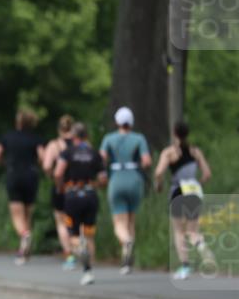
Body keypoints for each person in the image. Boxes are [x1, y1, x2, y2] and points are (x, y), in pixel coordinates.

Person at [154, 121, 216, 280]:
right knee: (193, 231)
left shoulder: (169, 153)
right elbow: (207, 174)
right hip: (194, 191)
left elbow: (159, 172)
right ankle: (203, 248)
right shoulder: (195, 151)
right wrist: (197, 184)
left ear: (174, 133)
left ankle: (185, 266)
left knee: (179, 231)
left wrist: (159, 185)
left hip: (178, 191)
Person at [99, 107, 152, 274]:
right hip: (134, 179)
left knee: (119, 222)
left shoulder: (109, 138)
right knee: (130, 221)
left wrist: (103, 174)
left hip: (116, 179)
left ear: (117, 122)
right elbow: (147, 161)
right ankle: (127, 261)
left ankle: (126, 241)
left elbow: (101, 159)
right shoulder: (139, 138)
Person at [54, 123, 107, 286]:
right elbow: (103, 178)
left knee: (73, 235)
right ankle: (88, 272)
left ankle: (79, 247)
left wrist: (60, 187)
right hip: (90, 195)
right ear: (87, 136)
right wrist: (96, 186)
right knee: (89, 234)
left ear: (73, 136)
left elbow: (58, 172)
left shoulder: (67, 152)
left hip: (72, 195)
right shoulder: (95, 153)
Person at [0, 109, 45, 264]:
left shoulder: (8, 137)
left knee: (16, 214)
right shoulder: (36, 138)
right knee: (27, 214)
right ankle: (24, 251)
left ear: (18, 122)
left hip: (14, 174)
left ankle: (24, 235)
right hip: (31, 175)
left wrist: (4, 163)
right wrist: (36, 164)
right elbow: (42, 157)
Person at [42, 114, 77, 270]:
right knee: (77, 220)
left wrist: (52, 177)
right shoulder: (79, 143)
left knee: (61, 222)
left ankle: (69, 254)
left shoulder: (54, 145)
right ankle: (81, 248)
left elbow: (47, 166)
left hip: (61, 187)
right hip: (79, 187)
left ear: (59, 129)